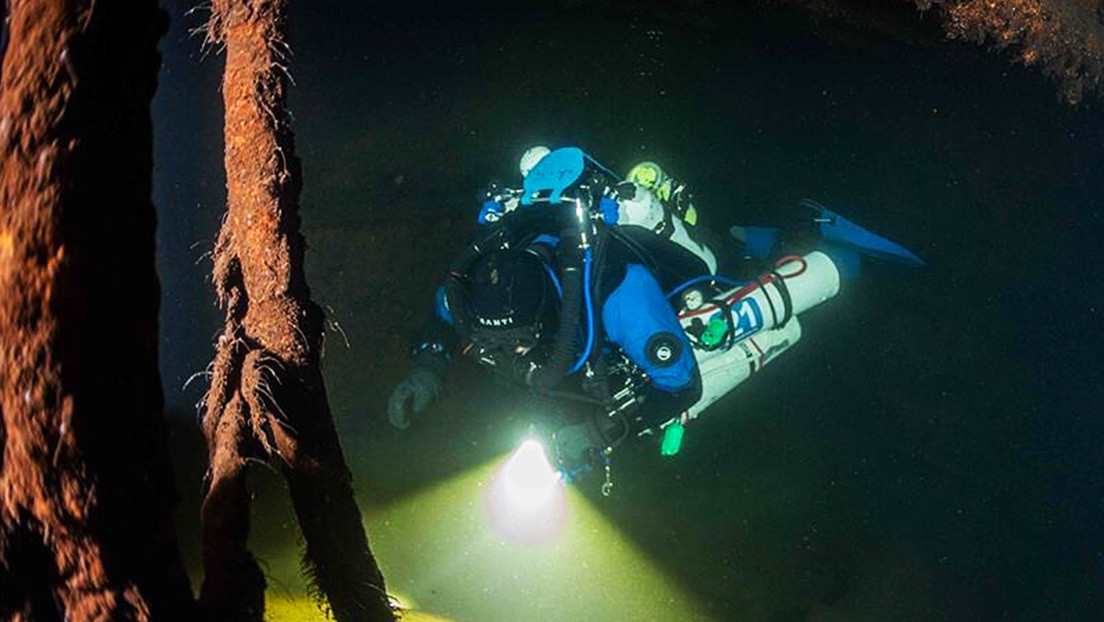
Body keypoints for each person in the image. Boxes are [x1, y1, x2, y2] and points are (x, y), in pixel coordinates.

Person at [389, 146, 731, 471]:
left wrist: (597, 432)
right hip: (567, 363)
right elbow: (444, 313)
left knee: (724, 258)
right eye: (493, 342)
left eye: (519, 340)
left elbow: (682, 385)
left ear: (546, 316)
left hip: (666, 292)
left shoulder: (620, 294)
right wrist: (427, 369)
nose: (513, 353)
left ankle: (731, 244)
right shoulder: (479, 286)